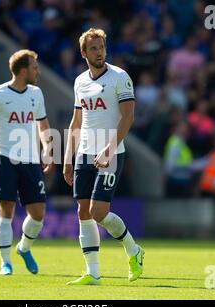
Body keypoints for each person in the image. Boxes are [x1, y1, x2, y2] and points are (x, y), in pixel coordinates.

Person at [63, 28, 144, 285]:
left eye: (102, 47)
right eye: (94, 48)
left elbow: (128, 117)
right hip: (84, 153)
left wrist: (108, 148)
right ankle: (93, 273)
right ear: (83, 53)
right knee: (82, 212)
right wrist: (66, 156)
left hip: (112, 153)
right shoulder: (79, 82)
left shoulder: (119, 77)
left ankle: (134, 250)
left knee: (98, 212)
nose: (99, 52)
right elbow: (77, 120)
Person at [0, 49, 52, 275]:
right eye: (34, 67)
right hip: (5, 158)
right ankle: (5, 263)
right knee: (6, 210)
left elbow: (42, 125)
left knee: (39, 213)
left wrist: (48, 149)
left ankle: (24, 248)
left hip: (31, 161)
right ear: (23, 71)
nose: (38, 71)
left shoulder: (36, 93)